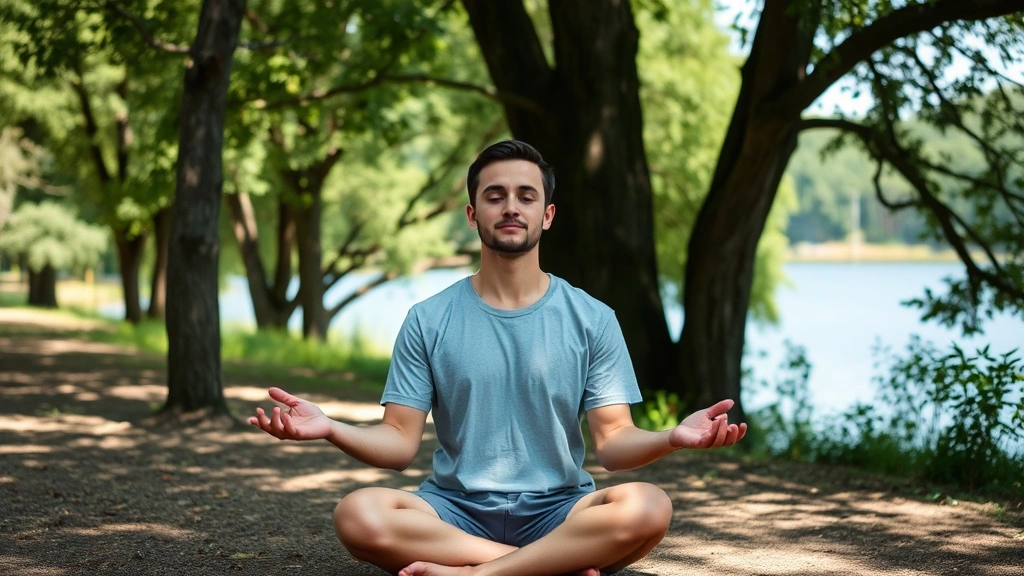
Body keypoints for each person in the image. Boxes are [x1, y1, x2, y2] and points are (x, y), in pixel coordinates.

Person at [249, 140, 747, 576]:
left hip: (562, 511)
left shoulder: (593, 318)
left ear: (547, 215)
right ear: (473, 214)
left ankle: (477, 572)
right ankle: (544, 565)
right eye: (495, 196)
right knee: (357, 515)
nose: (511, 207)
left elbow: (614, 442)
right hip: (453, 512)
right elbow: (399, 444)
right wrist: (332, 427)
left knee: (648, 507)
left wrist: (673, 438)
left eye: (526, 196)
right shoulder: (429, 318)